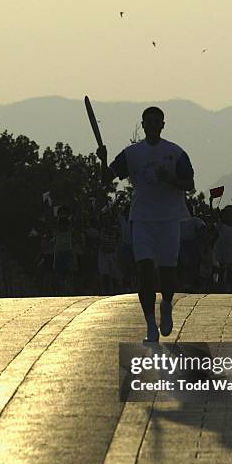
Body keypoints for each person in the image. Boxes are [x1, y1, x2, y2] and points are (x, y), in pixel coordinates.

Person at [96, 106, 195, 343]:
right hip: (141, 219)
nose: (151, 125)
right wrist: (103, 160)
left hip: (169, 219)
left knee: (168, 275)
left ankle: (167, 304)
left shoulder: (176, 153)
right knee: (145, 271)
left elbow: (189, 183)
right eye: (147, 122)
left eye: (156, 121)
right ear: (142, 125)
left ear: (163, 125)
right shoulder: (132, 154)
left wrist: (170, 179)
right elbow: (106, 178)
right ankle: (150, 324)